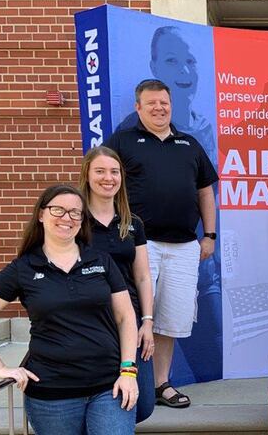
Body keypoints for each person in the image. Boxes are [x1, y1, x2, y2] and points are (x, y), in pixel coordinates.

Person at [0, 184, 138, 434]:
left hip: (109, 387)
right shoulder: (24, 268)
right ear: (41, 214)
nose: (67, 218)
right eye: (58, 210)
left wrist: (128, 371)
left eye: (75, 212)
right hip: (52, 396)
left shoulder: (101, 260)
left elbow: (125, 317)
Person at [103, 79, 219, 408]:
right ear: (138, 107)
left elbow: (205, 192)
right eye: (151, 103)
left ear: (171, 105)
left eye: (164, 103)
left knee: (170, 318)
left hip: (184, 247)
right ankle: (124, 380)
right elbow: (103, 184)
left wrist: (209, 236)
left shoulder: (189, 144)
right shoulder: (123, 141)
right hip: (140, 245)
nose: (159, 108)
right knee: (133, 314)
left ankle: (161, 384)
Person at [80, 146, 156, 423]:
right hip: (89, 321)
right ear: (87, 175)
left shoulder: (132, 223)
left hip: (130, 320)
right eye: (100, 171)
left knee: (143, 404)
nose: (108, 178)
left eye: (114, 172)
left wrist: (147, 322)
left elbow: (143, 276)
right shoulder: (75, 221)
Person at [117, 26, 215, 165]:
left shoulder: (204, 128)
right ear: (154, 67)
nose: (185, 71)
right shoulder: (129, 129)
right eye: (172, 61)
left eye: (190, 61)